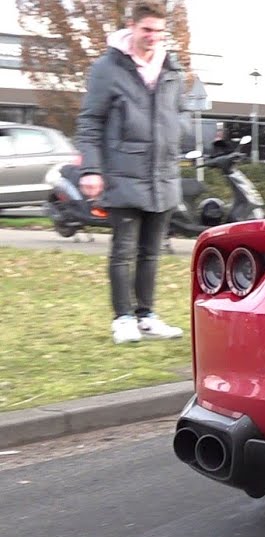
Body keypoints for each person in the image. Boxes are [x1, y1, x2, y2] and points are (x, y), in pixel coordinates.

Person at [75, 1, 185, 344]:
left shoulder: (172, 68)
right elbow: (90, 121)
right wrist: (92, 169)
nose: (152, 37)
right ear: (132, 27)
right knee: (123, 250)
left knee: (152, 252)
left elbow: (176, 113)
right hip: (123, 172)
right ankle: (122, 318)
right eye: (146, 30)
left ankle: (147, 315)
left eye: (158, 31)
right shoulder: (108, 68)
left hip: (163, 175)